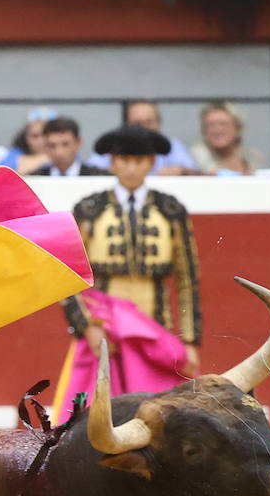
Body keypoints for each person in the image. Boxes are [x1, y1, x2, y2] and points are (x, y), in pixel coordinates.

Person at [62, 124, 201, 393]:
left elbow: (188, 281)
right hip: (104, 329)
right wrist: (87, 326)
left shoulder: (171, 210)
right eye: (124, 160)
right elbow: (68, 274)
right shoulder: (89, 210)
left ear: (151, 162)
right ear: (113, 162)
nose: (131, 168)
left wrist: (190, 342)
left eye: (139, 161)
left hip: (156, 330)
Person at [87, 99, 196, 175]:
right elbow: (90, 170)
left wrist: (182, 171)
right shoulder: (112, 146)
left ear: (159, 123)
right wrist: (109, 172)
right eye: (137, 123)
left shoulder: (172, 146)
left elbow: (196, 173)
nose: (143, 128)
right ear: (127, 124)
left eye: (148, 122)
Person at [191, 100, 263, 175]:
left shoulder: (252, 158)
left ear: (237, 128)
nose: (217, 130)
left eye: (223, 124)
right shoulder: (195, 160)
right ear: (204, 131)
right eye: (211, 125)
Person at [32, 117, 109, 177]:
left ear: (78, 143)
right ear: (45, 146)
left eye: (65, 144)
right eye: (52, 146)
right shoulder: (34, 179)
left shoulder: (99, 177)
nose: (59, 152)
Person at [1, 106, 55, 174]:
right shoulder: (15, 153)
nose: (41, 141)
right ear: (26, 137)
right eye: (35, 136)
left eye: (45, 135)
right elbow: (2, 174)